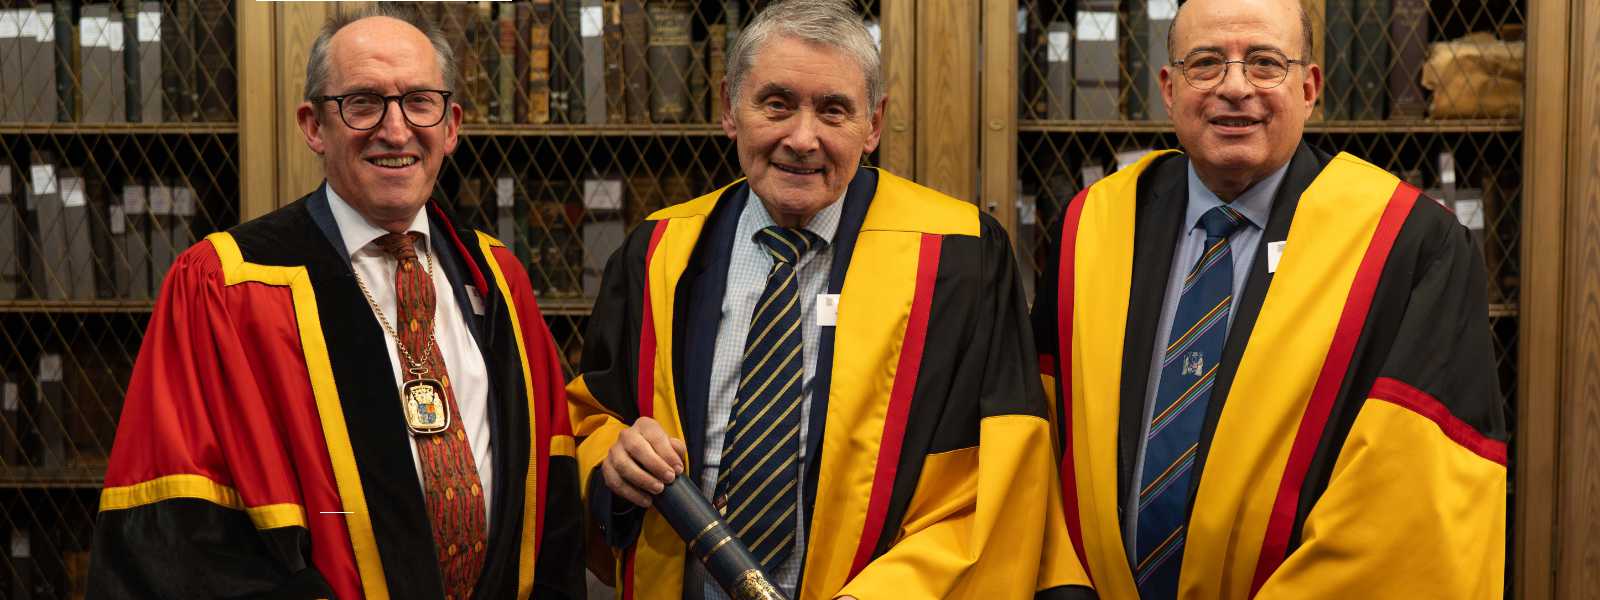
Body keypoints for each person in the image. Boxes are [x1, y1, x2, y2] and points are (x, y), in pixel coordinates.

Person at [566, 1, 1087, 598]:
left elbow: (1002, 479)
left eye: (833, 110)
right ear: (729, 108)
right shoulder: (657, 252)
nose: (802, 138)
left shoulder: (959, 260)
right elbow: (592, 422)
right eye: (777, 104)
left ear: (873, 125)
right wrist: (614, 460)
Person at [88, 6, 583, 598]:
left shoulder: (498, 277)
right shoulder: (226, 284)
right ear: (314, 126)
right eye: (363, 103)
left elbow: (549, 504)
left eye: (419, 101)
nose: (395, 131)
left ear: (450, 126)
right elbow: (181, 538)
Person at [1031, 0, 1507, 597]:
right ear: (1168, 88)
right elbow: (1041, 446)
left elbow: (1410, 505)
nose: (1235, 87)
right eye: (1205, 63)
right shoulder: (1095, 226)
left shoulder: (1410, 245)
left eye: (1264, 63)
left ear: (1309, 87)